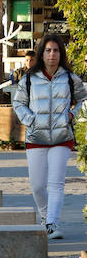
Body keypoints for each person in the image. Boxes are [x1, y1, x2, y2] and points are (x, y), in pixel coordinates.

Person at [12, 33, 86, 240]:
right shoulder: (28, 78)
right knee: (37, 185)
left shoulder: (70, 78)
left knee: (56, 183)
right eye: (48, 50)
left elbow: (83, 100)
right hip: (36, 138)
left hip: (62, 137)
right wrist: (31, 120)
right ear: (41, 54)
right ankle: (45, 217)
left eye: (55, 50)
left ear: (61, 54)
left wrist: (72, 115)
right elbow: (18, 103)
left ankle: (52, 222)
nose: (52, 54)